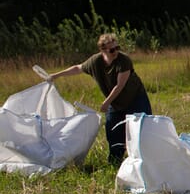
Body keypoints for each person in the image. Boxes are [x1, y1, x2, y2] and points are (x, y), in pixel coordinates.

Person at [47, 33, 153, 166]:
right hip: (115, 103)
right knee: (113, 131)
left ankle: (146, 161)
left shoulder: (123, 60)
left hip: (135, 99)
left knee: (143, 129)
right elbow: (78, 68)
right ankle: (115, 163)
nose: (116, 52)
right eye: (112, 50)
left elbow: (119, 86)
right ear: (103, 50)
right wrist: (56, 76)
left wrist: (106, 103)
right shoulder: (95, 61)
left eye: (117, 47)